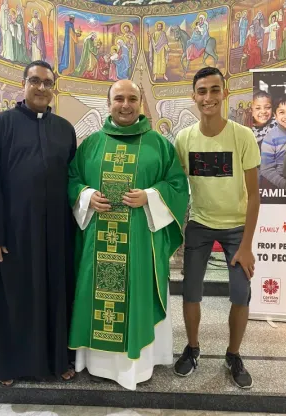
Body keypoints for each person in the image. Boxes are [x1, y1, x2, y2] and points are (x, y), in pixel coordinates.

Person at [68, 79, 188, 391]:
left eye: (132, 98)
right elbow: (72, 179)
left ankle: (136, 366)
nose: (125, 104)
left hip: (139, 244)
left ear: (140, 103)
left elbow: (177, 185)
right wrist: (85, 195)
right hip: (98, 241)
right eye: (118, 98)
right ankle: (96, 363)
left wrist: (151, 196)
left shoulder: (159, 144)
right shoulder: (91, 143)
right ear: (108, 104)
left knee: (136, 294)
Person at [0, 61, 76, 387]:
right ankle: (9, 365)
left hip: (55, 234)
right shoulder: (0, 125)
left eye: (47, 83)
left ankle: (57, 360)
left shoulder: (65, 130)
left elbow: (73, 181)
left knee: (55, 297)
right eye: (34, 81)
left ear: (54, 89)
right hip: (14, 234)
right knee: (14, 299)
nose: (41, 88)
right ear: (23, 84)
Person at [175, 67, 260, 389]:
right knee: (190, 290)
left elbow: (254, 195)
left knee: (240, 293)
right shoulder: (184, 139)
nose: (208, 97)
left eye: (214, 90)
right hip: (199, 224)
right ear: (193, 96)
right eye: (202, 91)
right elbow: (175, 185)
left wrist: (246, 245)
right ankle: (193, 348)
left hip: (236, 227)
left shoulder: (242, 136)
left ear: (224, 93)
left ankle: (233, 354)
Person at [260, 94, 286, 190]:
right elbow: (266, 170)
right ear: (275, 115)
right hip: (280, 184)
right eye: (282, 112)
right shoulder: (270, 138)